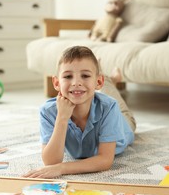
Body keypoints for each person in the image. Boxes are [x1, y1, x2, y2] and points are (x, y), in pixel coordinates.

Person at [23, 46, 136, 179]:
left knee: (117, 104)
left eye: (85, 75)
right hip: (93, 90)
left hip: (125, 123)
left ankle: (109, 79)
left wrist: (62, 168)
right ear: (56, 83)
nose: (76, 82)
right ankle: (104, 77)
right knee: (94, 89)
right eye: (68, 76)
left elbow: (105, 160)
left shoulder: (109, 107)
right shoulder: (47, 112)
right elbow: (50, 162)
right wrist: (62, 118)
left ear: (98, 82)